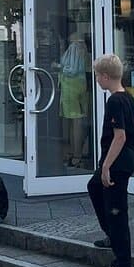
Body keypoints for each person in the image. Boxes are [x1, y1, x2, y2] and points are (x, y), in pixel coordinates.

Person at [88, 53, 134, 267]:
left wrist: (107, 165)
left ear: (105, 76)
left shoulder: (114, 101)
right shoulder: (128, 98)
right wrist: (133, 149)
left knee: (116, 210)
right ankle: (111, 235)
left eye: (96, 76)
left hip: (117, 162)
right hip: (127, 158)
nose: (96, 80)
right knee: (94, 187)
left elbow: (120, 136)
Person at [58, 31, 91, 167]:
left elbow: (71, 69)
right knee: (78, 121)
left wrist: (58, 65)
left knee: (74, 122)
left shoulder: (74, 47)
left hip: (71, 86)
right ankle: (76, 152)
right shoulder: (84, 49)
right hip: (82, 85)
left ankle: (75, 154)